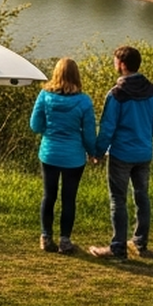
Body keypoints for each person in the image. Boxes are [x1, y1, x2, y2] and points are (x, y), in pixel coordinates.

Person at [89, 45, 153, 261]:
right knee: (142, 196)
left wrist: (98, 152)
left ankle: (118, 247)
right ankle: (140, 242)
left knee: (118, 200)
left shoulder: (117, 94)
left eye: (115, 61)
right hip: (144, 152)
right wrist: (143, 137)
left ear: (122, 64)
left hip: (121, 153)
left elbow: (107, 128)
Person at [30, 57, 96, 254]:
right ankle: (65, 241)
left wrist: (49, 132)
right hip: (73, 157)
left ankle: (46, 237)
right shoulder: (84, 101)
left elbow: (35, 125)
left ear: (56, 73)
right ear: (76, 75)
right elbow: (89, 134)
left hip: (49, 153)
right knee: (69, 198)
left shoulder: (44, 96)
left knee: (49, 196)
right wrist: (93, 152)